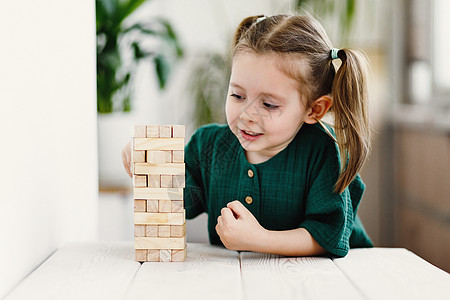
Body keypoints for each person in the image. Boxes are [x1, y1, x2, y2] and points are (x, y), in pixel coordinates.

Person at [122, 14, 373, 257]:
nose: (247, 115)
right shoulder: (208, 146)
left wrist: (260, 239)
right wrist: (149, 167)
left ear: (314, 109)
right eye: (237, 96)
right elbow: (178, 201)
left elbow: (328, 236)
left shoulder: (324, 152)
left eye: (269, 105)